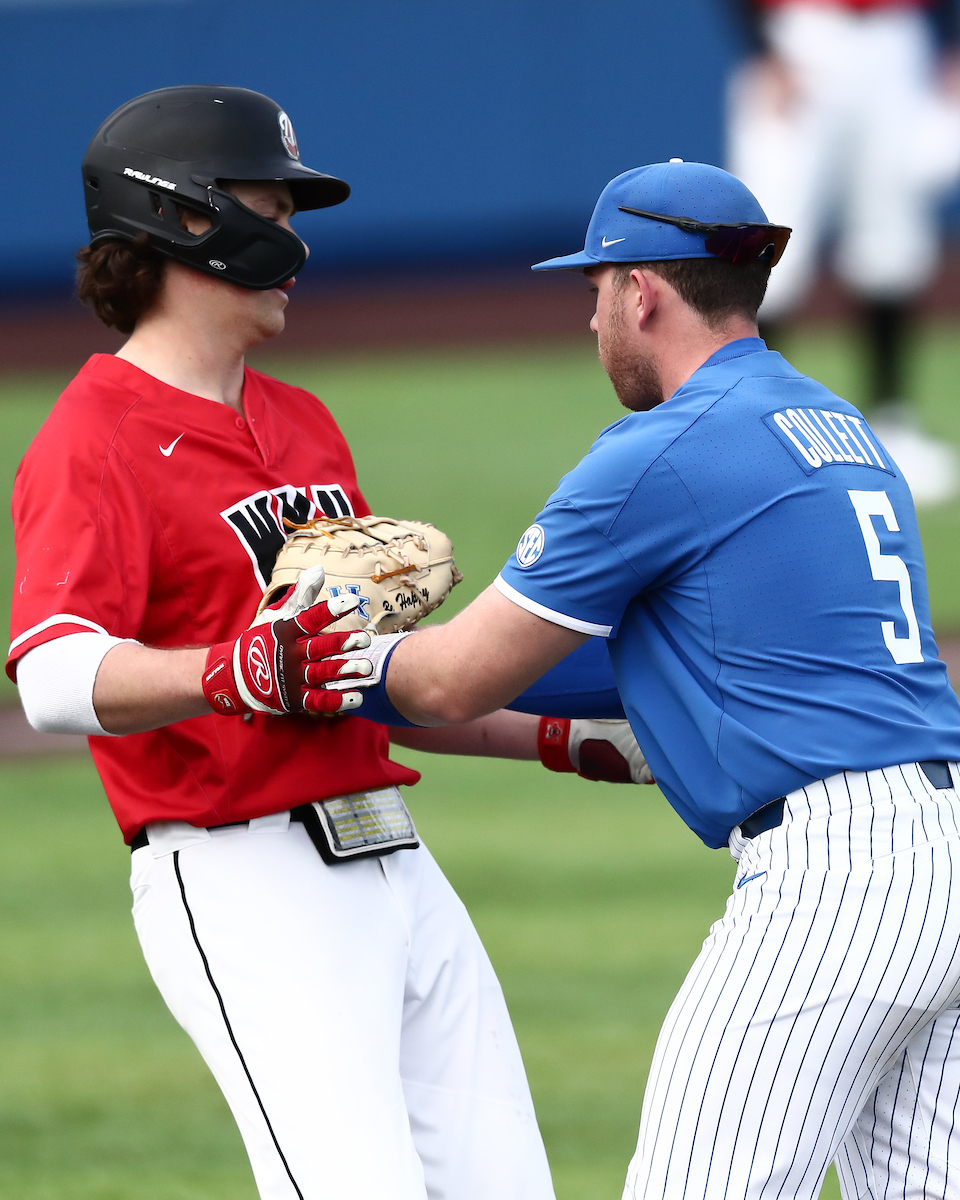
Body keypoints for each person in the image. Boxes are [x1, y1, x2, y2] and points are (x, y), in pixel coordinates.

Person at [5, 85, 650, 1200]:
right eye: (275, 205)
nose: (297, 237)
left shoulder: (305, 423)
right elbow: (51, 673)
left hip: (393, 859)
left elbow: (357, 681)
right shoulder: (92, 438)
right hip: (243, 880)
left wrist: (556, 740)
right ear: (187, 218)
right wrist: (229, 668)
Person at [325, 161, 960, 1199]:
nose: (591, 323)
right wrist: (485, 718)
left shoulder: (664, 452)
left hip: (839, 884)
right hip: (941, 854)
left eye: (593, 292)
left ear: (642, 291)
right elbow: (650, 660)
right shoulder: (840, 430)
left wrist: (315, 659)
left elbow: (452, 678)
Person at [727, 0, 960, 505]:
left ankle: (891, 426)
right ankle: (750, 432)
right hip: (801, 36)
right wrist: (763, 49)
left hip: (897, 37)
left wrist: (947, 43)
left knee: (892, 245)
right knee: (768, 243)